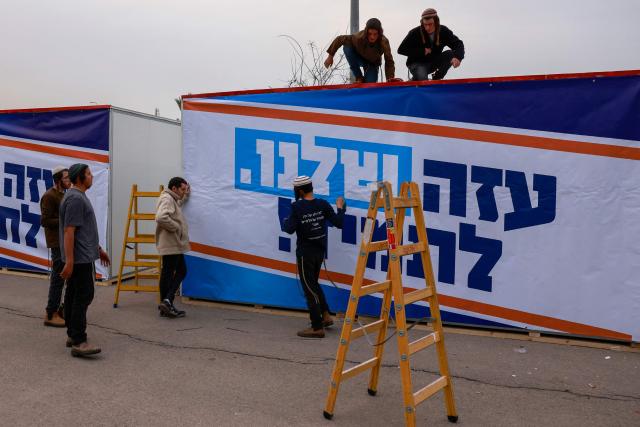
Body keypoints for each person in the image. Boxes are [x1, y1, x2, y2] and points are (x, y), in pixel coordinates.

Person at [282, 176, 346, 338]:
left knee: (309, 289)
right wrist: (340, 208)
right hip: (319, 252)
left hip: (305, 254)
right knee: (314, 285)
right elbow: (339, 222)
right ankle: (325, 315)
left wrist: (285, 221)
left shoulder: (297, 207)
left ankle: (317, 327)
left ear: (300, 191)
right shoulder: (322, 204)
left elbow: (289, 229)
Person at [59, 163, 110, 357]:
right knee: (83, 296)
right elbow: (69, 231)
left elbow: (83, 231)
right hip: (80, 259)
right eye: (88, 174)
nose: (91, 177)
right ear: (79, 178)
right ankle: (79, 341)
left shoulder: (77, 197)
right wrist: (70, 261)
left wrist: (98, 249)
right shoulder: (75, 199)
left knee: (74, 294)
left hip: (82, 255)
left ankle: (73, 335)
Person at [155, 177, 191, 319]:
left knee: (169, 273)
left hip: (172, 243)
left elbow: (177, 205)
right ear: (174, 188)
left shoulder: (172, 199)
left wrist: (186, 195)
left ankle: (166, 304)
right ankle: (167, 301)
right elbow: (161, 217)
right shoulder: (167, 199)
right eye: (182, 189)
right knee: (179, 271)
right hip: (171, 242)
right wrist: (176, 227)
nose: (184, 191)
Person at [398, 8, 465, 81]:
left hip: (432, 62)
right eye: (425, 25)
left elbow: (458, 43)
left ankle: (437, 77)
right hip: (416, 64)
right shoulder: (414, 32)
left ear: (436, 22)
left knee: (451, 54)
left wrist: (458, 57)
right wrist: (422, 51)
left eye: (430, 24)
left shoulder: (443, 31)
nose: (427, 28)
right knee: (423, 79)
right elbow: (401, 50)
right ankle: (415, 79)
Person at [40, 166, 70, 327]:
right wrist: (66, 222)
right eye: (66, 178)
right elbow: (44, 221)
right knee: (58, 278)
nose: (69, 180)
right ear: (58, 180)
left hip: (65, 240)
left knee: (65, 277)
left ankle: (60, 309)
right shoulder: (49, 196)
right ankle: (51, 313)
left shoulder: (63, 194)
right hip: (56, 242)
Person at [325, 18, 396, 83]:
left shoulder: (384, 42)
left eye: (375, 34)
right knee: (347, 47)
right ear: (366, 32)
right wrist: (330, 56)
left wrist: (390, 78)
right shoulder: (359, 38)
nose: (372, 37)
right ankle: (359, 77)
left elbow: (389, 61)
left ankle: (368, 78)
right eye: (370, 34)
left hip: (372, 64)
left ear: (379, 33)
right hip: (360, 58)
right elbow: (340, 39)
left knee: (369, 84)